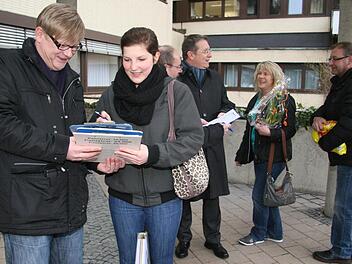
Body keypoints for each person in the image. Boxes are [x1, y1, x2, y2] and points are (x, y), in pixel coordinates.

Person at [0, 3, 122, 264]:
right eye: (62, 45)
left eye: (74, 46)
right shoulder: (6, 65)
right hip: (27, 209)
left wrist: (97, 151)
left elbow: (73, 136)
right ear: (40, 34)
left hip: (70, 207)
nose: (68, 53)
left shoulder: (73, 80)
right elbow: (4, 126)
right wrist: (63, 147)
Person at [90, 27, 204, 264]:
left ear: (155, 57)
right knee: (127, 261)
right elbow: (90, 140)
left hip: (165, 199)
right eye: (127, 59)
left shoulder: (176, 92)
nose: (133, 67)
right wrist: (101, 145)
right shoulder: (111, 94)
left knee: (162, 260)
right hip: (122, 198)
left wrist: (152, 154)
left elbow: (192, 139)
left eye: (141, 59)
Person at [175, 34, 235, 259]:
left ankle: (213, 240)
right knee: (184, 194)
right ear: (190, 55)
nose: (210, 54)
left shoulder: (216, 78)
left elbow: (227, 103)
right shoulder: (176, 80)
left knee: (213, 196)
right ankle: (184, 240)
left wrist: (223, 112)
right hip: (187, 148)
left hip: (213, 146)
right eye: (206, 51)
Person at [235, 61, 296, 246]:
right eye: (259, 73)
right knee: (267, 193)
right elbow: (249, 130)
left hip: (273, 156)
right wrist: (242, 155)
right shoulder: (256, 99)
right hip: (259, 155)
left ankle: (258, 233)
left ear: (274, 78)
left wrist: (271, 133)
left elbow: (291, 129)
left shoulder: (284, 100)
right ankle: (275, 232)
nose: (261, 77)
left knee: (259, 195)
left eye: (266, 74)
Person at [311, 42, 352, 264]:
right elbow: (325, 110)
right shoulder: (340, 83)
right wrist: (316, 117)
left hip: (349, 159)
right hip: (344, 157)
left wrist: (325, 143)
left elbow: (348, 123)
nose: (330, 63)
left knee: (343, 208)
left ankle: (342, 251)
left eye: (335, 59)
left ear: (349, 60)